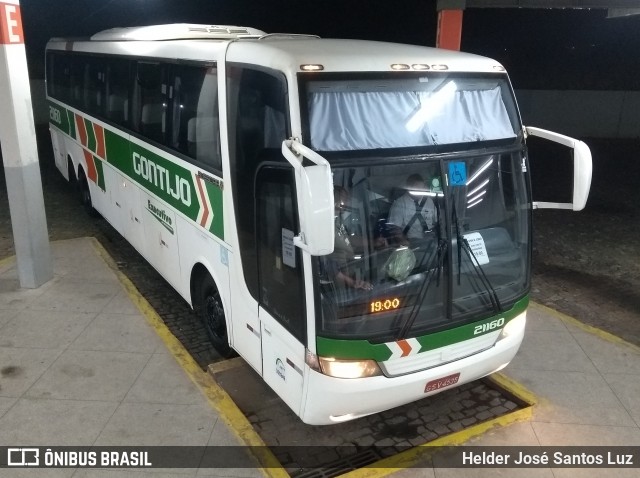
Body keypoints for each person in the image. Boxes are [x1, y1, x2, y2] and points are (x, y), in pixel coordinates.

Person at [327, 186, 373, 291]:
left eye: (346, 199)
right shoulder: (324, 225)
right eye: (342, 200)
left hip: (349, 268)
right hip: (337, 280)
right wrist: (351, 282)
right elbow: (326, 264)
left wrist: (373, 243)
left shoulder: (337, 218)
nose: (345, 203)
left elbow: (347, 239)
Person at [387, 174, 436, 244]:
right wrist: (405, 243)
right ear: (409, 187)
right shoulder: (399, 204)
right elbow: (395, 229)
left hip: (430, 244)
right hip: (410, 243)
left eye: (422, 189)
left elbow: (437, 221)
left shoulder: (429, 202)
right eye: (417, 189)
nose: (420, 192)